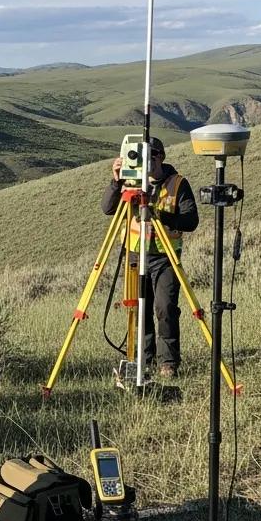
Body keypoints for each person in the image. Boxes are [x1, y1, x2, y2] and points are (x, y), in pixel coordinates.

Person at [102, 136, 199, 379]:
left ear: (161, 157)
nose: (147, 161)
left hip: (165, 256)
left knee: (165, 308)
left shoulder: (178, 183)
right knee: (139, 309)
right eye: (143, 156)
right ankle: (143, 360)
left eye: (152, 156)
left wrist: (159, 214)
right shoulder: (130, 182)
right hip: (136, 255)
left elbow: (190, 221)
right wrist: (116, 181)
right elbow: (108, 208)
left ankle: (168, 363)